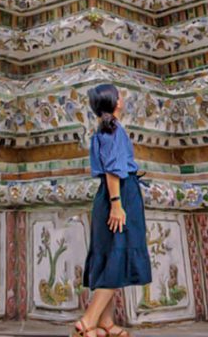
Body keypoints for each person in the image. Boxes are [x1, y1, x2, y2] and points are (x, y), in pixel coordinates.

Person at [73, 83, 151, 337]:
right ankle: (87, 321)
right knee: (116, 258)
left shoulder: (104, 130)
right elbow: (112, 170)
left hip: (111, 194)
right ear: (115, 102)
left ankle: (104, 323)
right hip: (119, 194)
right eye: (119, 95)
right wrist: (117, 204)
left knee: (110, 255)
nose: (122, 98)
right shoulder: (114, 130)